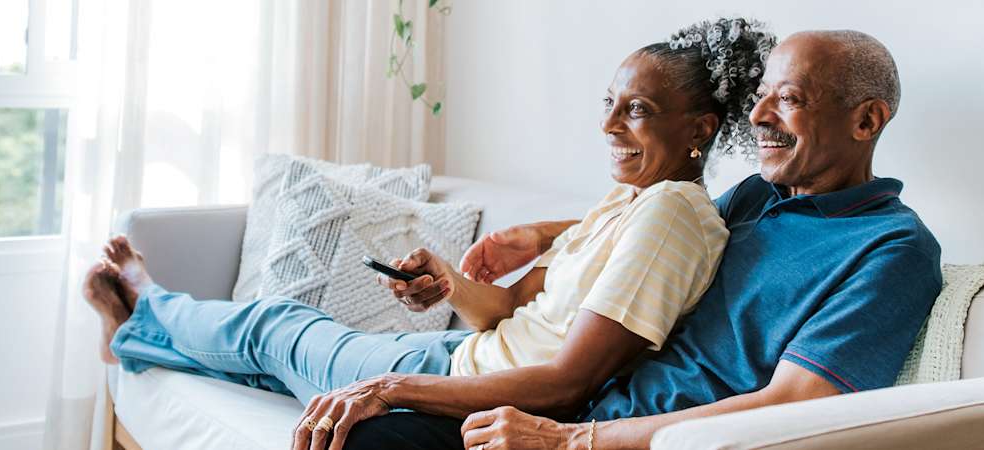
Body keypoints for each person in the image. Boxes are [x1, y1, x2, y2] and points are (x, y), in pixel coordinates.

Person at [80, 17, 777, 450]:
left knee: (275, 325)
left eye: (637, 110)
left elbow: (569, 383)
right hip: (462, 353)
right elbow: (512, 313)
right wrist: (454, 283)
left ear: (699, 130)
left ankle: (145, 299)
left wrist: (393, 387)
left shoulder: (671, 216)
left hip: (462, 381)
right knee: (270, 363)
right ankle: (139, 337)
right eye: (610, 105)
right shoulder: (630, 202)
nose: (609, 125)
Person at [340, 29, 943, 450]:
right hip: (574, 414)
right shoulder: (761, 198)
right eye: (761, 96)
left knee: (365, 432)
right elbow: (664, 224)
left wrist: (572, 441)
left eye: (788, 100)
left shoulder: (891, 248)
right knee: (349, 424)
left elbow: (796, 404)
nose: (758, 116)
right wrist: (541, 233)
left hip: (617, 436)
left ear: (866, 121)